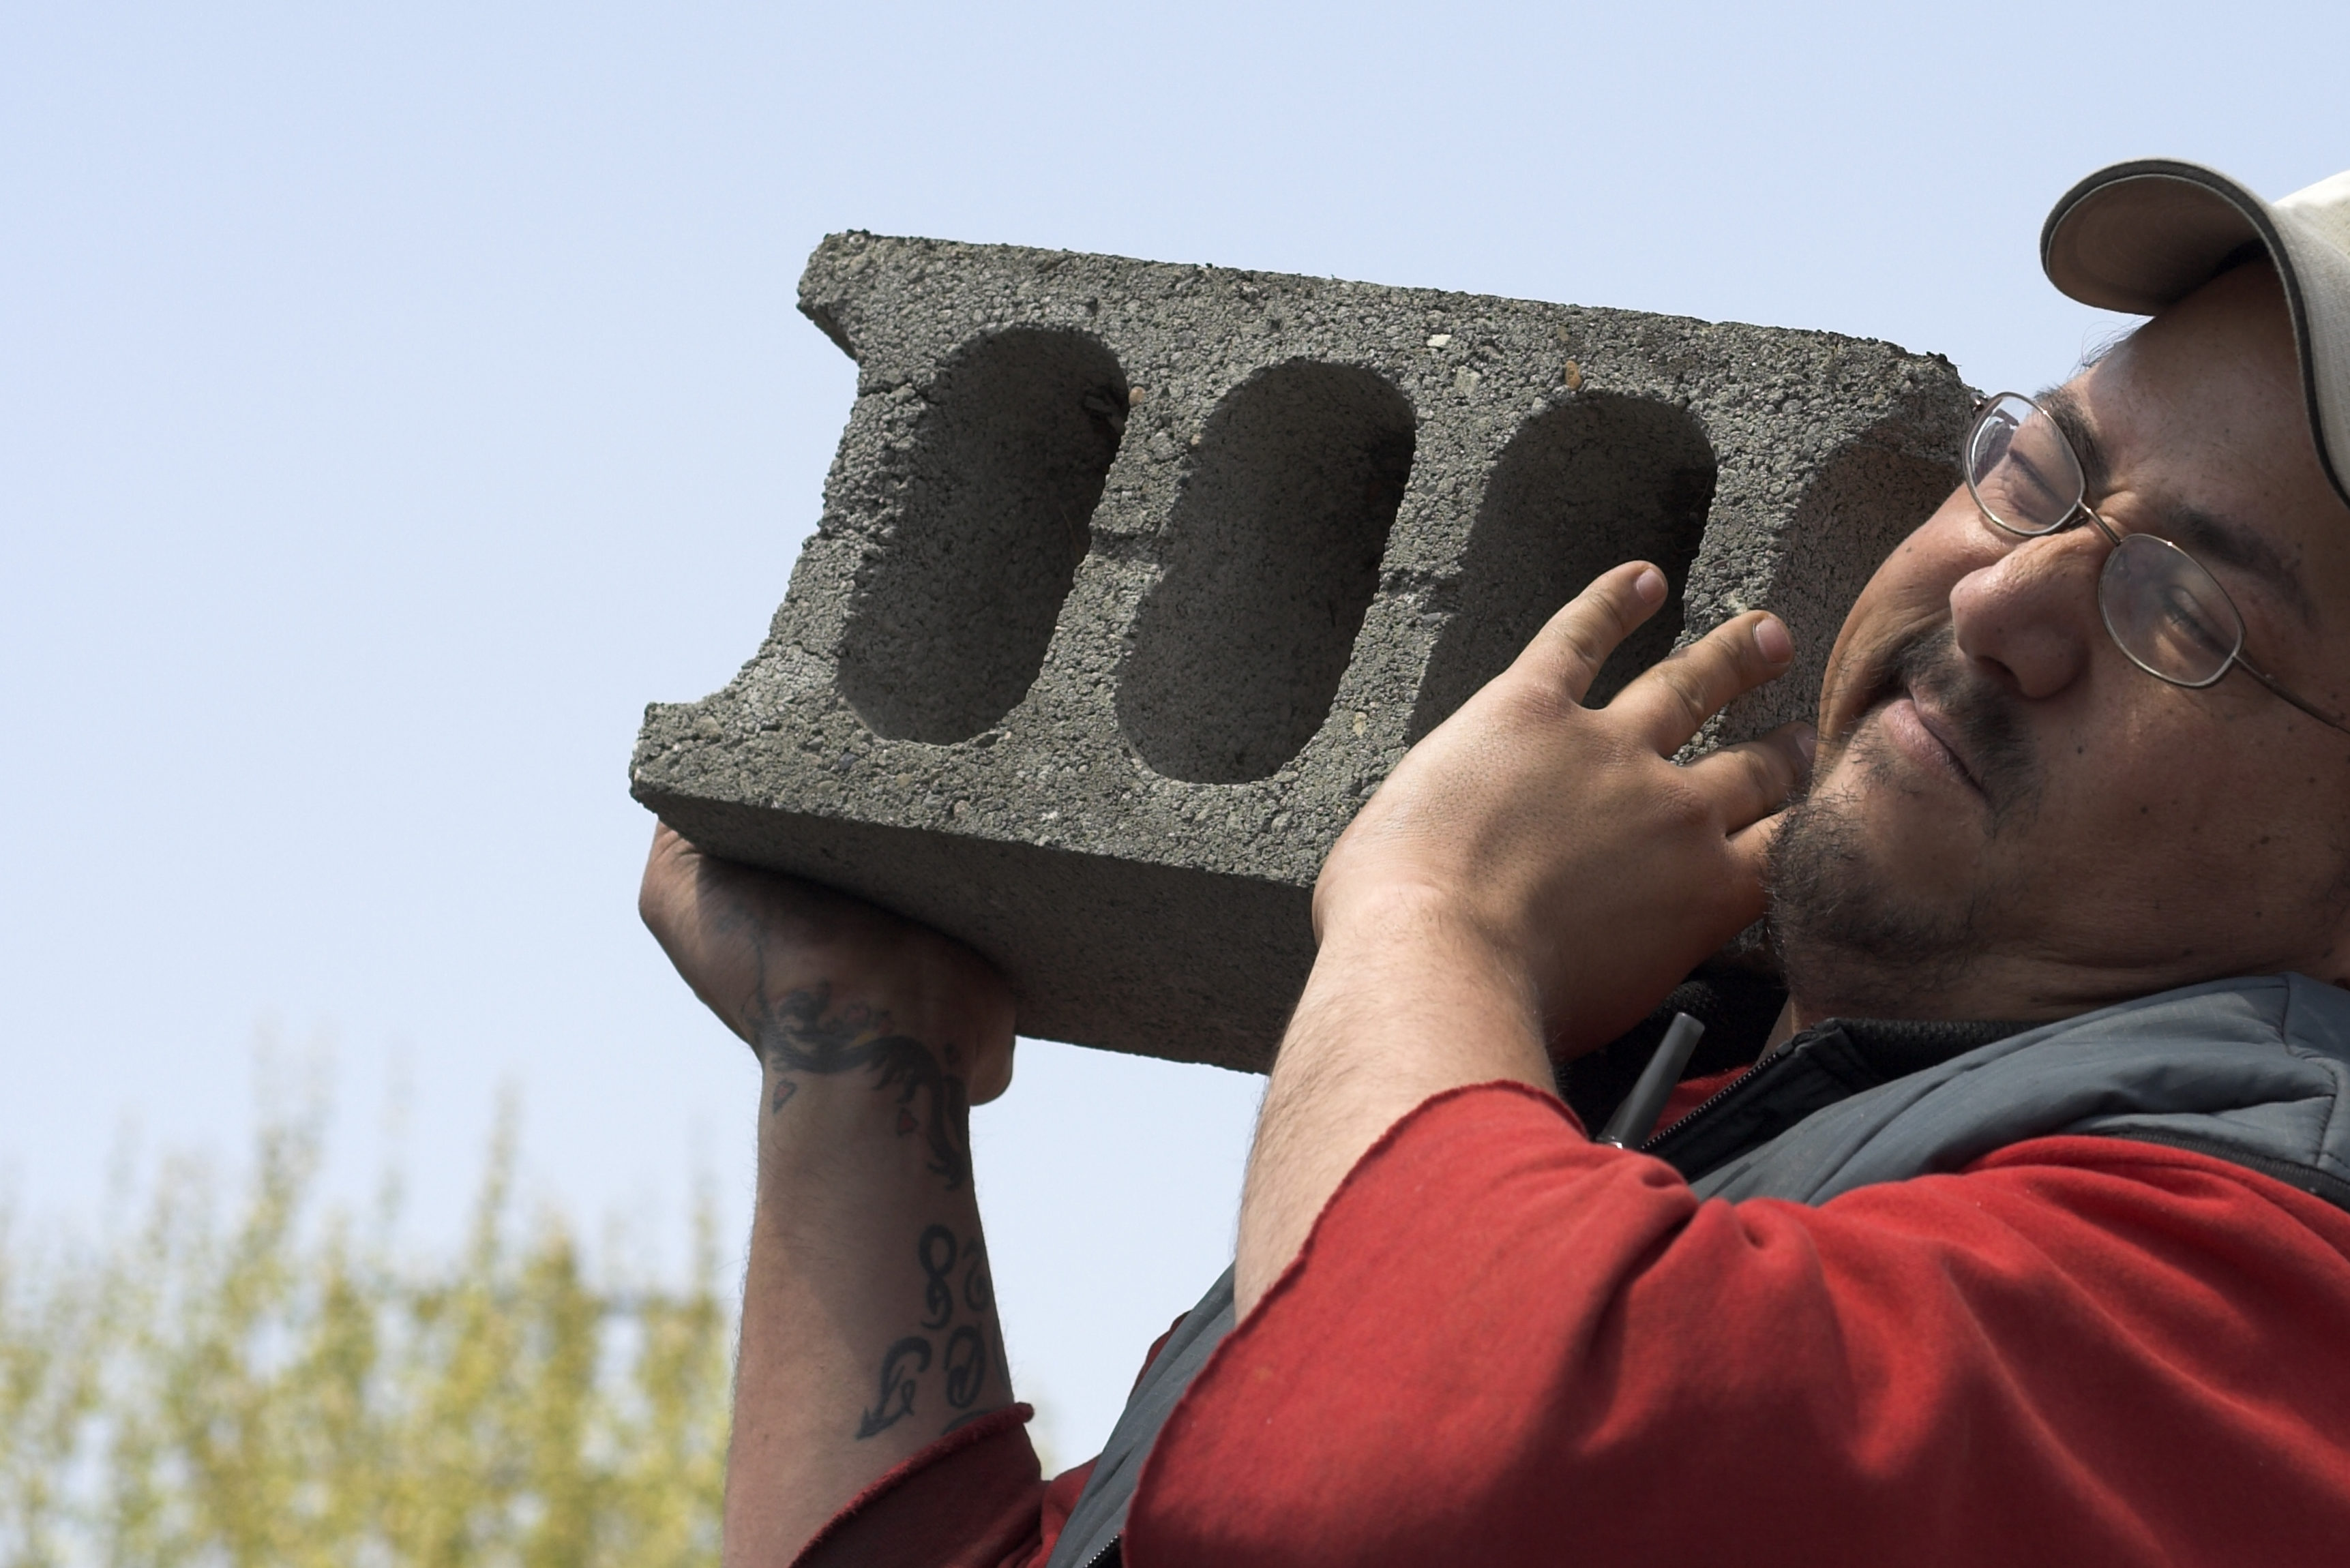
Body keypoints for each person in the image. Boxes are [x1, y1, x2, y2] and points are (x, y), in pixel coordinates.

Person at [639, 157, 2350, 1567]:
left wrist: (1433, 907)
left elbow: (1401, 1483)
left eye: (2185, 611)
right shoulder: (1632, 1121)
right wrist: (857, 1053)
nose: (1998, 600)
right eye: (2045, 473)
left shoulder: (2267, 1290)